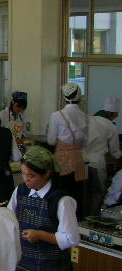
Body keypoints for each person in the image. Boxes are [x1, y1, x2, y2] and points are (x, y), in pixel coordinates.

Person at [47, 83, 88, 217]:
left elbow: (51, 141)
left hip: (62, 162)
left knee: (60, 196)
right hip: (78, 161)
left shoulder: (56, 115)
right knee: (76, 196)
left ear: (64, 97)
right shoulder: (85, 116)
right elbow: (85, 142)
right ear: (79, 97)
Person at [84, 113, 121, 215]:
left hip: (82, 162)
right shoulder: (110, 126)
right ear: (112, 114)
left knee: (84, 194)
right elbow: (115, 153)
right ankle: (93, 218)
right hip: (97, 163)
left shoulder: (85, 121)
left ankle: (82, 219)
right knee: (98, 193)